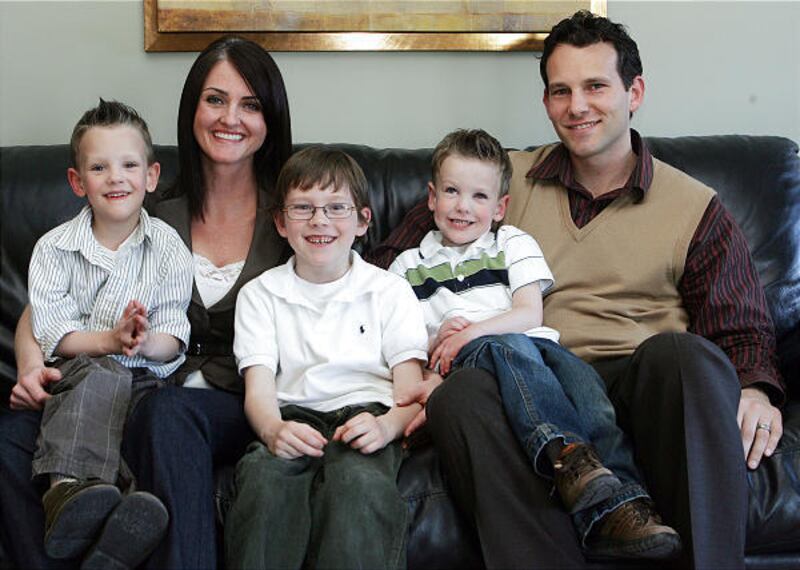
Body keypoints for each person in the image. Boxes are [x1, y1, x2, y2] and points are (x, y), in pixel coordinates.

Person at [371, 11, 784, 569]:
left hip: (640, 384)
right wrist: (419, 362)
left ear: (633, 91)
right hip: (520, 385)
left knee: (685, 356)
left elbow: (741, 323)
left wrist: (755, 388)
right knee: (461, 393)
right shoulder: (496, 184)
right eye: (560, 91)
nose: (577, 106)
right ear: (546, 103)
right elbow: (383, 274)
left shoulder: (695, 205)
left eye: (595, 86)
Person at [0, 36, 293, 569]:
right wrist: (27, 366)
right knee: (12, 438)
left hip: (234, 397)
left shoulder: (294, 219)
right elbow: (41, 308)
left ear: (270, 116)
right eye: (215, 99)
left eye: (250, 104)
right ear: (192, 109)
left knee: (166, 413)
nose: (231, 117)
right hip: (132, 385)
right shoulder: (143, 204)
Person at [389, 128, 681, 559]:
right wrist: (444, 340)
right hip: (471, 366)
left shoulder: (511, 243)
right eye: (451, 191)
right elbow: (405, 341)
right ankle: (564, 453)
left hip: (537, 349)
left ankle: (624, 511)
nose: (463, 206)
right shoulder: (407, 266)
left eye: (479, 196)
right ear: (431, 197)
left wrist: (470, 329)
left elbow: (529, 314)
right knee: (499, 346)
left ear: (501, 207)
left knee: (592, 400)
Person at [225, 146, 427, 569]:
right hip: (293, 415)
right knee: (263, 482)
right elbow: (259, 392)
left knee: (357, 486)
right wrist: (274, 430)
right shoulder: (260, 295)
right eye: (303, 208)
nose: (319, 220)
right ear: (280, 222)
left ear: (362, 221)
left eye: (336, 207)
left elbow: (410, 392)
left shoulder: (389, 291)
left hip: (367, 415)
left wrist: (388, 427)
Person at [26, 98, 192, 567]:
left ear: (151, 176)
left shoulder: (168, 247)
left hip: (146, 380)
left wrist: (142, 340)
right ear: (78, 182)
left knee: (151, 419)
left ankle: (112, 528)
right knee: (101, 376)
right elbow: (51, 334)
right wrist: (109, 341)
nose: (116, 177)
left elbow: (173, 334)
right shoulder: (54, 249)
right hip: (77, 378)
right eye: (99, 167)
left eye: (129, 165)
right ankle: (65, 495)